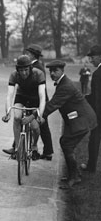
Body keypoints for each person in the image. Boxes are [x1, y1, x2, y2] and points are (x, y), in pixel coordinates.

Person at [42, 60, 97, 188]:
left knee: (66, 143)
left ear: (62, 71)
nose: (52, 74)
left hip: (82, 120)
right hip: (76, 119)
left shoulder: (65, 86)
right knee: (66, 143)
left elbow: (53, 105)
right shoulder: (62, 83)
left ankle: (74, 177)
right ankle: (74, 173)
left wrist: (35, 117)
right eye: (50, 71)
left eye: (55, 71)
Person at [2, 55, 46, 161]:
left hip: (35, 98)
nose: (23, 73)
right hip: (21, 97)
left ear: (30, 68)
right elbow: (9, 95)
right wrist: (8, 112)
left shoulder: (38, 74)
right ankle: (17, 148)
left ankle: (34, 145)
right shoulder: (14, 75)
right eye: (21, 70)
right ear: (17, 70)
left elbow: (42, 96)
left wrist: (41, 114)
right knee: (17, 117)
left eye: (26, 70)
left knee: (35, 127)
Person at [25, 44, 54, 160]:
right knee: (41, 126)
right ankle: (48, 152)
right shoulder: (36, 65)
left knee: (42, 126)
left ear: (32, 55)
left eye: (28, 53)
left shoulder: (37, 67)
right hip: (37, 99)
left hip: (38, 100)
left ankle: (48, 152)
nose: (26, 55)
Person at [83, 45, 101, 173]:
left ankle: (91, 167)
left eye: (93, 57)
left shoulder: (97, 74)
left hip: (99, 114)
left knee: (94, 140)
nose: (91, 60)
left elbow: (97, 98)